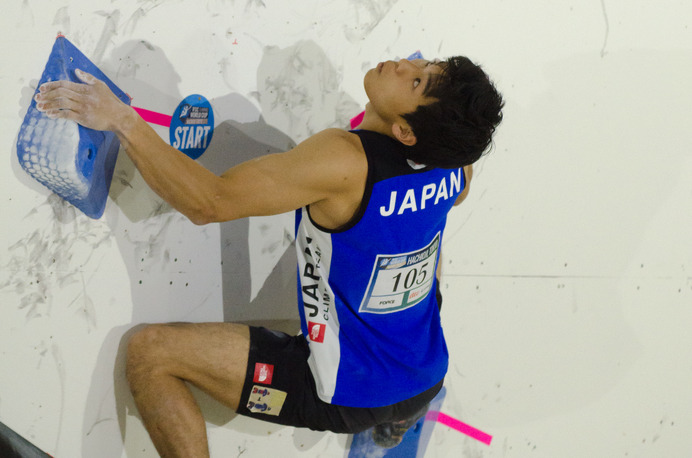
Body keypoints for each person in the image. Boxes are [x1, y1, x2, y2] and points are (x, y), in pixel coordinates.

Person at [35, 54, 503, 457]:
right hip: (427, 370)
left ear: (405, 131)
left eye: (416, 81)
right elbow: (450, 182)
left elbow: (209, 202)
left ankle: (385, 414)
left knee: (150, 354)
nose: (404, 63)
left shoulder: (345, 161)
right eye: (425, 65)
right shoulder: (454, 168)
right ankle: (401, 416)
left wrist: (122, 120)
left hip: (348, 393)